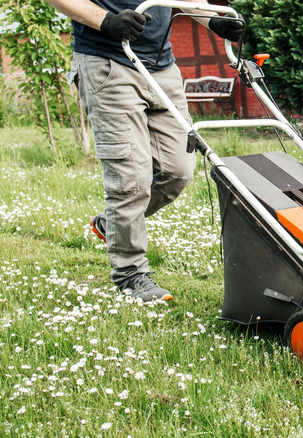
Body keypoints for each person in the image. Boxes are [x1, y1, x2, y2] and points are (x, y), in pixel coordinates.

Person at [46, 0, 242, 301]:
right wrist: (106, 21)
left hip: (162, 66)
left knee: (178, 171)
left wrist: (212, 20)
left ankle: (111, 224)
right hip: (108, 61)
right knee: (131, 180)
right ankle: (131, 275)